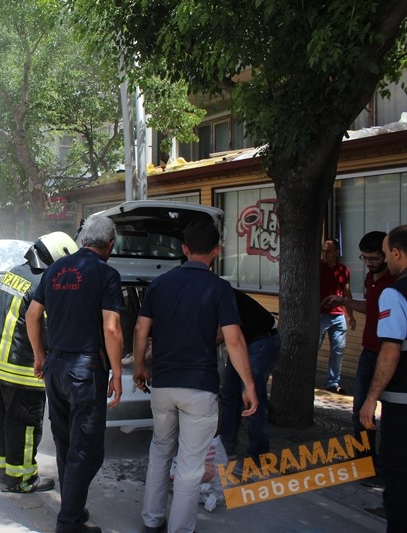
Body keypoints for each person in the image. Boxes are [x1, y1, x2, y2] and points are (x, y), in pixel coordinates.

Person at [133, 220, 258, 533]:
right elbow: (234, 340)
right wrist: (249, 385)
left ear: (184, 249)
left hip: (162, 384)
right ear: (216, 251)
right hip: (199, 389)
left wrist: (138, 367)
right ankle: (180, 529)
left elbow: (140, 329)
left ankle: (151, 520)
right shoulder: (220, 289)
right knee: (190, 464)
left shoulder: (159, 285)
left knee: (160, 451)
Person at [26, 215, 123, 533]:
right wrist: (118, 373)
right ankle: (68, 522)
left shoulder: (55, 269)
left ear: (83, 240)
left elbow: (32, 314)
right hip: (84, 371)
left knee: (68, 444)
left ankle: (73, 511)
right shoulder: (107, 274)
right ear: (109, 244)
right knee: (88, 450)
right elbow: (111, 328)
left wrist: (40, 355)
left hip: (55, 368)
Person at [0, 231, 77, 494]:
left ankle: (4, 471)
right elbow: (46, 328)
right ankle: (22, 479)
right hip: (20, 369)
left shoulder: (13, 272)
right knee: (24, 427)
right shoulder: (44, 283)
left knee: (1, 421)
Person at [323, 231, 394, 478]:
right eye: (365, 258)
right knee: (360, 410)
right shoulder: (370, 279)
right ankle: (365, 462)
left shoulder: (396, 281)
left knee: (390, 411)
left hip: (391, 353)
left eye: (374, 258)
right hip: (368, 352)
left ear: (387, 255)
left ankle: (387, 465)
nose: (369, 263)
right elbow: (371, 308)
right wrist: (345, 302)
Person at [360, 225, 407, 533]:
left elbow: (390, 351)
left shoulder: (396, 292)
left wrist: (370, 398)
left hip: (402, 404)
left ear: (395, 253)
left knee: (398, 472)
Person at [220, 289, 280, 458]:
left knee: (252, 398)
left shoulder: (218, 294)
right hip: (241, 343)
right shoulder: (208, 291)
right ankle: (226, 447)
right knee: (229, 394)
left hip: (261, 341)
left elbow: (219, 334)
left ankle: (259, 456)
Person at [319, 238, 355, 393]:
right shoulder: (317, 267)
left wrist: (350, 315)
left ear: (336, 253)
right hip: (320, 315)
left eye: (328, 251)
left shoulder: (343, 270)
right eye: (323, 251)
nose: (325, 255)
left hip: (338, 315)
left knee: (338, 350)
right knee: (314, 348)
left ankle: (333, 383)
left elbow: (347, 293)